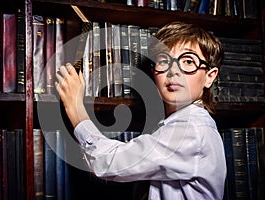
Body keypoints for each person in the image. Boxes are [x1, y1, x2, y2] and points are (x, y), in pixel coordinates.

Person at [55, 21, 227, 200]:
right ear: (154, 72)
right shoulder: (174, 125)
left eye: (188, 61)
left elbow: (109, 162)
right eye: (163, 61)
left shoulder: (192, 129)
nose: (173, 71)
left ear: (210, 77)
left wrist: (76, 108)